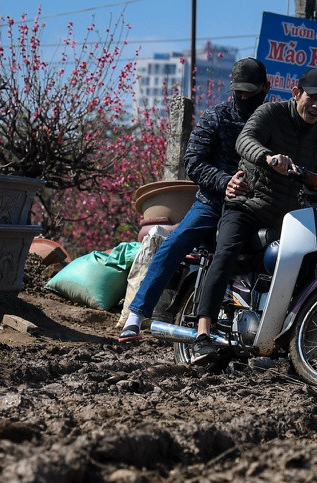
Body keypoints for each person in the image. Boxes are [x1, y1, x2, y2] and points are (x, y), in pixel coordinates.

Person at [119, 57, 271, 342]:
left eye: (249, 92)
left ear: (266, 88)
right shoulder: (217, 117)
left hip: (256, 209)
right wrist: (224, 182)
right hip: (211, 205)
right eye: (238, 92)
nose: (242, 97)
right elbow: (194, 162)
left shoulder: (274, 124)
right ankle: (136, 316)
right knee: (174, 244)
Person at [190, 68, 317, 364]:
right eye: (312, 98)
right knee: (226, 252)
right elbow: (245, 141)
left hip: (286, 219)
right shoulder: (270, 113)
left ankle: (289, 341)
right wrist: (267, 156)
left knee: (308, 266)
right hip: (247, 206)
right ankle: (202, 334)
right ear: (296, 93)